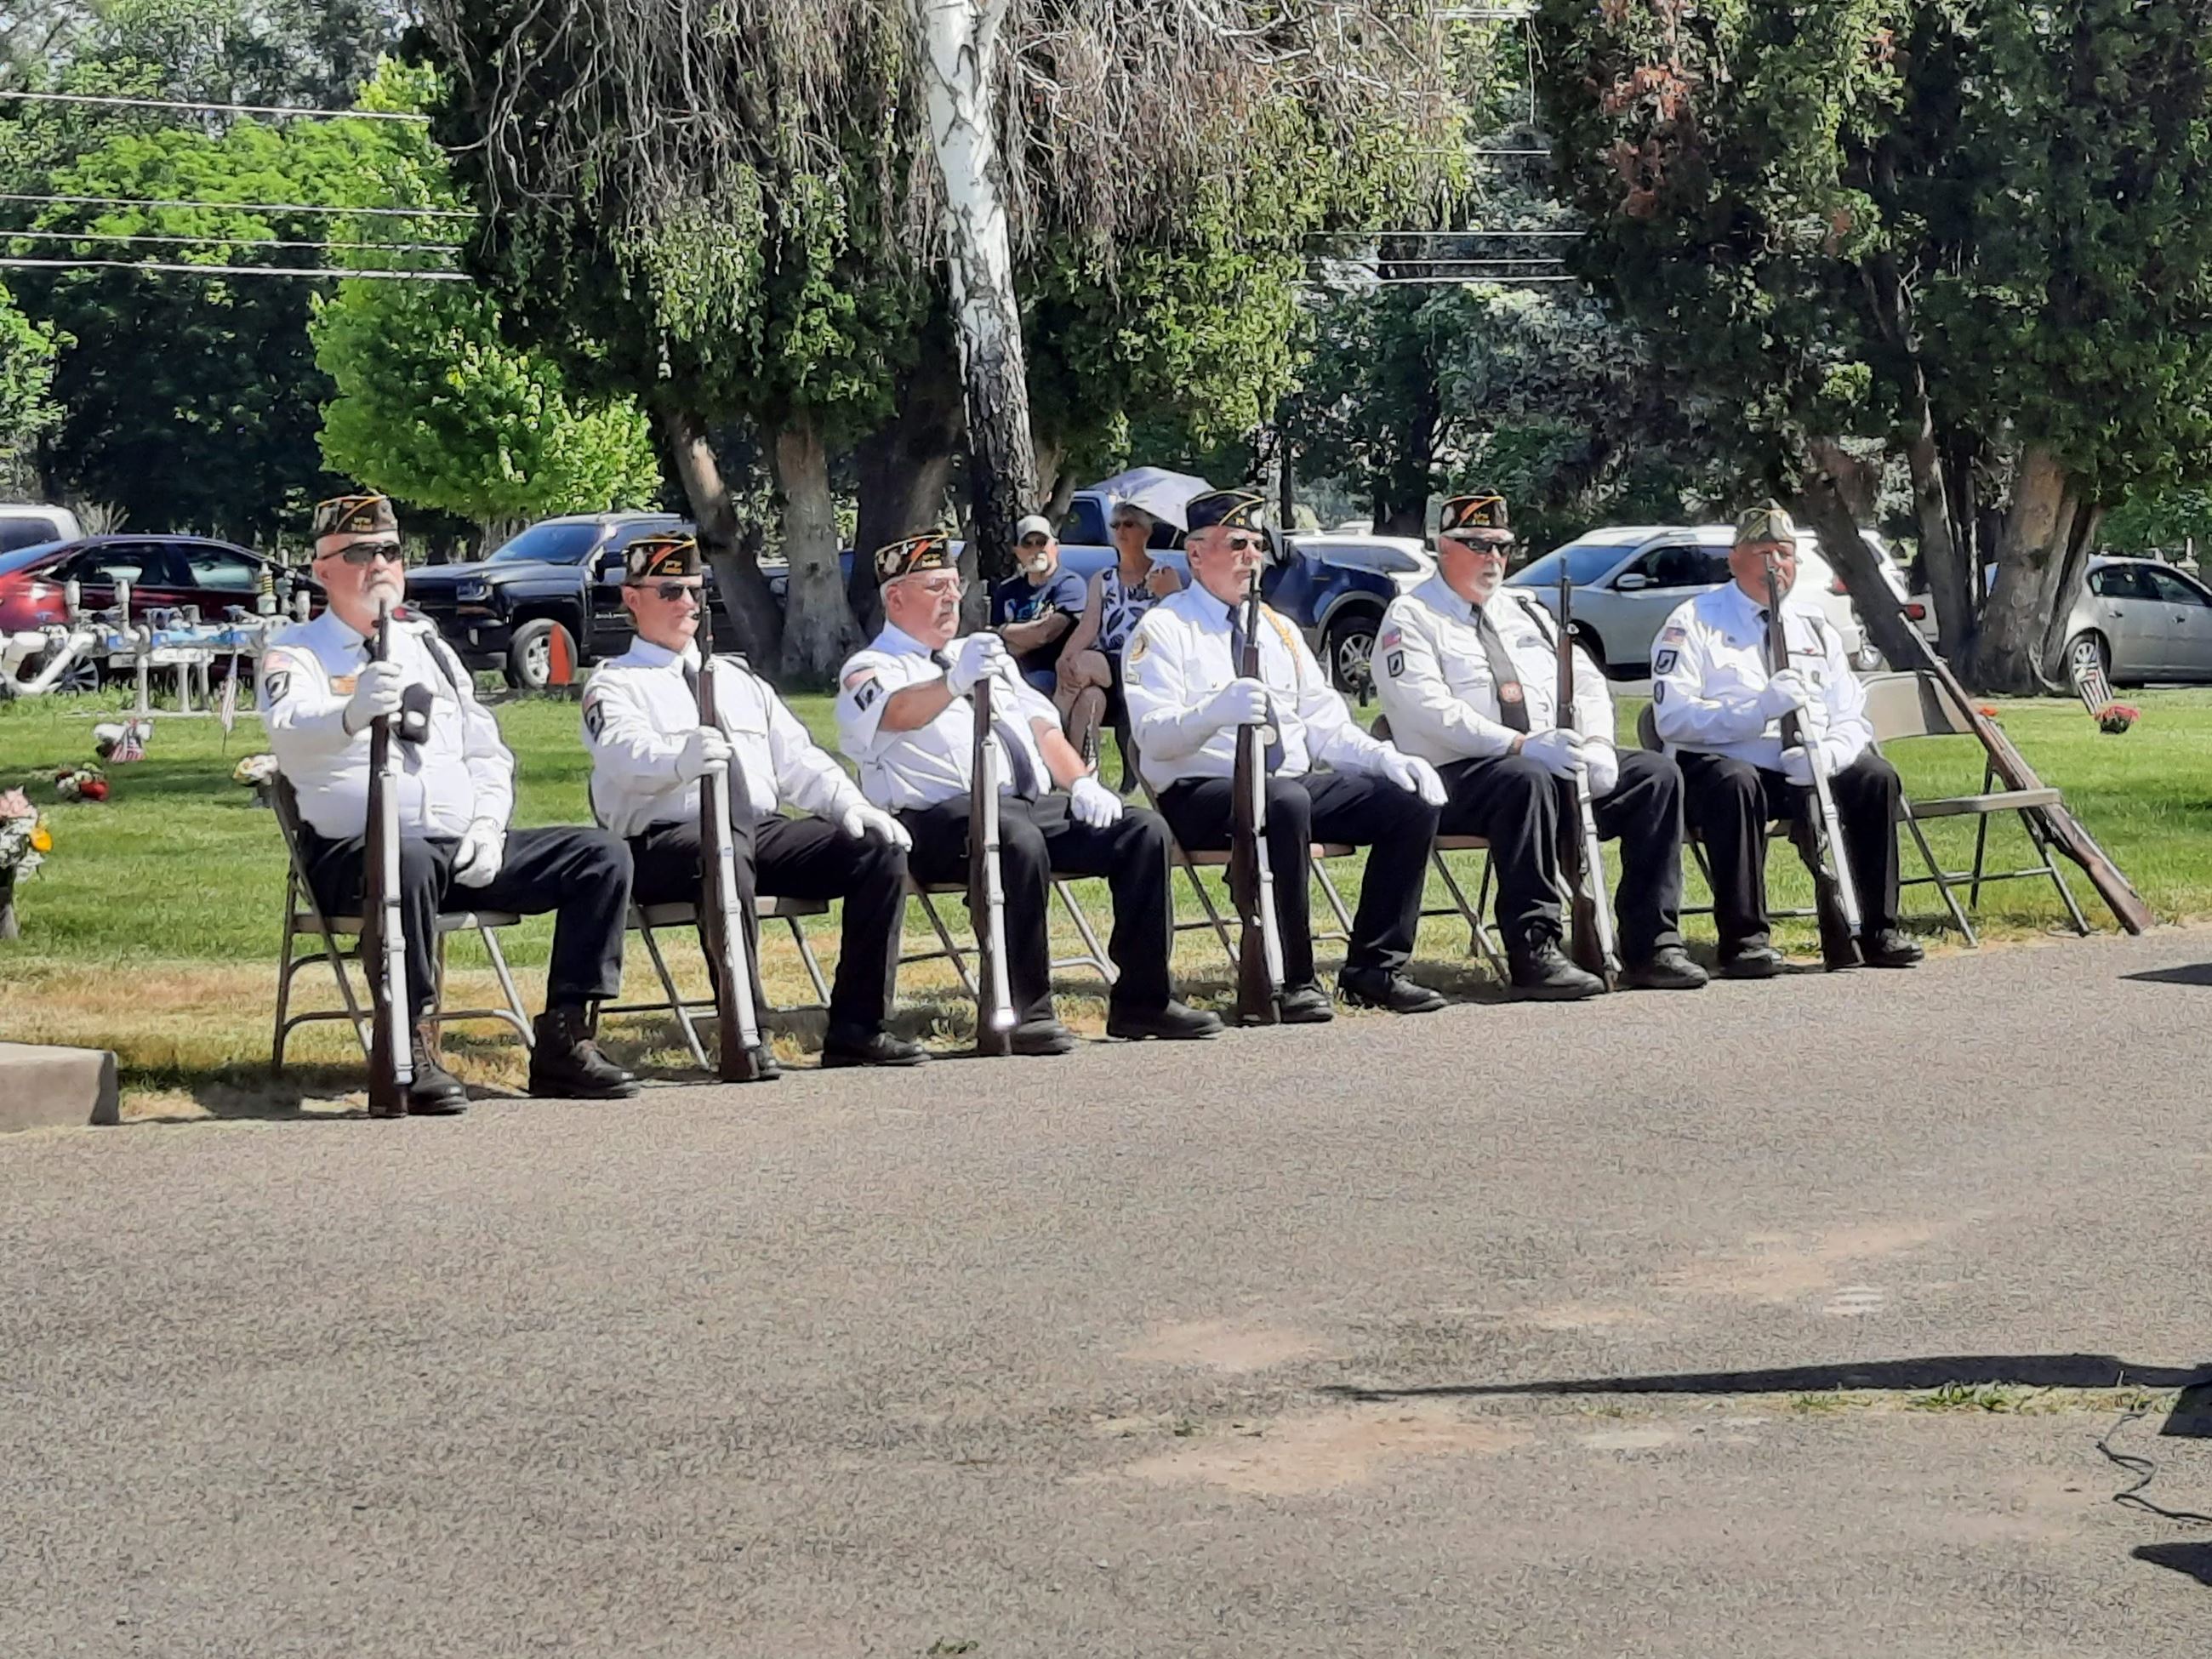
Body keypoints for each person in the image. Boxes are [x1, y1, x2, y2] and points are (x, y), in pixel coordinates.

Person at [259, 492, 638, 1113]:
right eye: (358, 553)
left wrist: (488, 825)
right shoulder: (297, 651)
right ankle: (407, 1043)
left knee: (599, 856)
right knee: (404, 860)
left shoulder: (428, 646)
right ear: (323, 569)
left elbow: (486, 753)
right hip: (355, 857)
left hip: (456, 851)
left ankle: (567, 1037)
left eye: (390, 551)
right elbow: (290, 732)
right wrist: (349, 713)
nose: (379, 564)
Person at [837, 532, 1222, 1052]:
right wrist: (952, 685)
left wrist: (1081, 782)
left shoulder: (976, 656)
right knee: (1016, 839)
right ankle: (1023, 1009)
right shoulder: (871, 668)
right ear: (896, 597)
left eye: (956, 585)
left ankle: (1143, 999)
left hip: (1022, 805)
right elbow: (897, 711)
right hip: (937, 819)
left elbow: (1043, 730)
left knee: (1141, 830)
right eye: (936, 587)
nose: (953, 597)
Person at [580, 533, 926, 1073]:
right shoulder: (616, 684)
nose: (689, 605)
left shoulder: (738, 681)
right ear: (632, 599)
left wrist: (850, 805)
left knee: (874, 851)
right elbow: (623, 755)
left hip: (755, 829)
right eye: (671, 591)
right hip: (669, 839)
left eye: (697, 591)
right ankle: (745, 1027)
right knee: (722, 849)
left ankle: (858, 1028)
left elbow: (798, 760)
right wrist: (678, 759)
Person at [1123, 487, 1449, 1020]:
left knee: (1408, 801)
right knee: (1285, 801)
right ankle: (1293, 977)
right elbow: (1153, 737)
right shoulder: (1165, 628)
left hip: (1283, 784)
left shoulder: (1278, 629)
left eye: (1257, 544)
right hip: (1201, 792)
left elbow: (1325, 727)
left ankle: (1375, 966)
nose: (1252, 557)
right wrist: (1212, 713)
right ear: (1196, 553)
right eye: (1236, 544)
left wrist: (1384, 758)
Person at [1375, 493, 1707, 997]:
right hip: (1461, 775)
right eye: (1478, 546)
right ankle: (1535, 949)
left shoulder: (1525, 612)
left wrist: (1596, 743)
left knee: (1654, 776)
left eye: (1503, 548)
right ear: (1444, 548)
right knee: (1523, 779)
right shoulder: (1411, 616)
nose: (1493, 559)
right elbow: (1428, 711)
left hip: (1547, 760)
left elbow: (1589, 683)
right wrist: (1519, 744)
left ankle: (1651, 945)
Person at [1651, 502, 1925, 977]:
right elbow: (1672, 718)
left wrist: (1833, 752)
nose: (1774, 564)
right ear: (1735, 559)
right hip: (1722, 764)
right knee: (1736, 784)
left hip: (1806, 760)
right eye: (1761, 553)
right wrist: (1755, 711)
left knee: (1874, 777)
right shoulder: (1693, 621)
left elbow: (1851, 713)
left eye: (1784, 553)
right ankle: (1745, 940)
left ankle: (1876, 930)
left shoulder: (1816, 626)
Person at [1056, 499, 1184, 776]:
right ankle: (1080, 773)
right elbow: (1088, 627)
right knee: (1089, 697)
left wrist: (1167, 594)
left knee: (1080, 665)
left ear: (1146, 532)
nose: (1121, 531)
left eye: (1129, 524)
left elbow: (1180, 622)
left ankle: (1046, 741)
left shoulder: (1163, 574)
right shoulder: (1103, 579)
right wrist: (1063, 660)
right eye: (1116, 525)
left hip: (1144, 663)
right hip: (1107, 667)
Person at [989, 514, 1086, 696]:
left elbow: (1045, 633)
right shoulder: (1006, 591)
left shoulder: (1070, 584)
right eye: (1028, 543)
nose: (1036, 549)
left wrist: (1003, 630)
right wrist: (1026, 637)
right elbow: (996, 645)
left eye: (1041, 542)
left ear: (1055, 547)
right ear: (1017, 551)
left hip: (1051, 675)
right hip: (1008, 671)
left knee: (1021, 692)